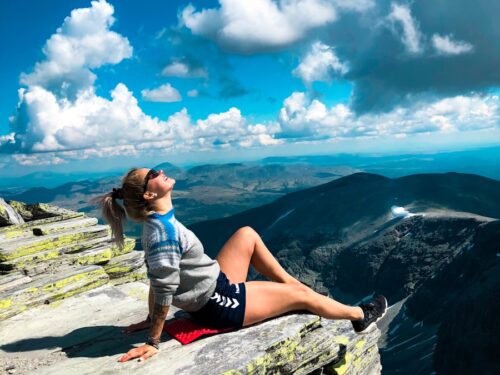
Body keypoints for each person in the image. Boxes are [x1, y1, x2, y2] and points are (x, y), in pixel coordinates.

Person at [91, 167, 387, 363]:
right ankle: (360, 315)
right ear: (148, 194)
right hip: (219, 304)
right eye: (153, 174)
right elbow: (163, 284)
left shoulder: (162, 222)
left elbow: (160, 276)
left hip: (215, 283)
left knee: (246, 234)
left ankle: (291, 286)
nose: (161, 171)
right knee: (305, 299)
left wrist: (148, 315)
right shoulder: (164, 234)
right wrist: (153, 339)